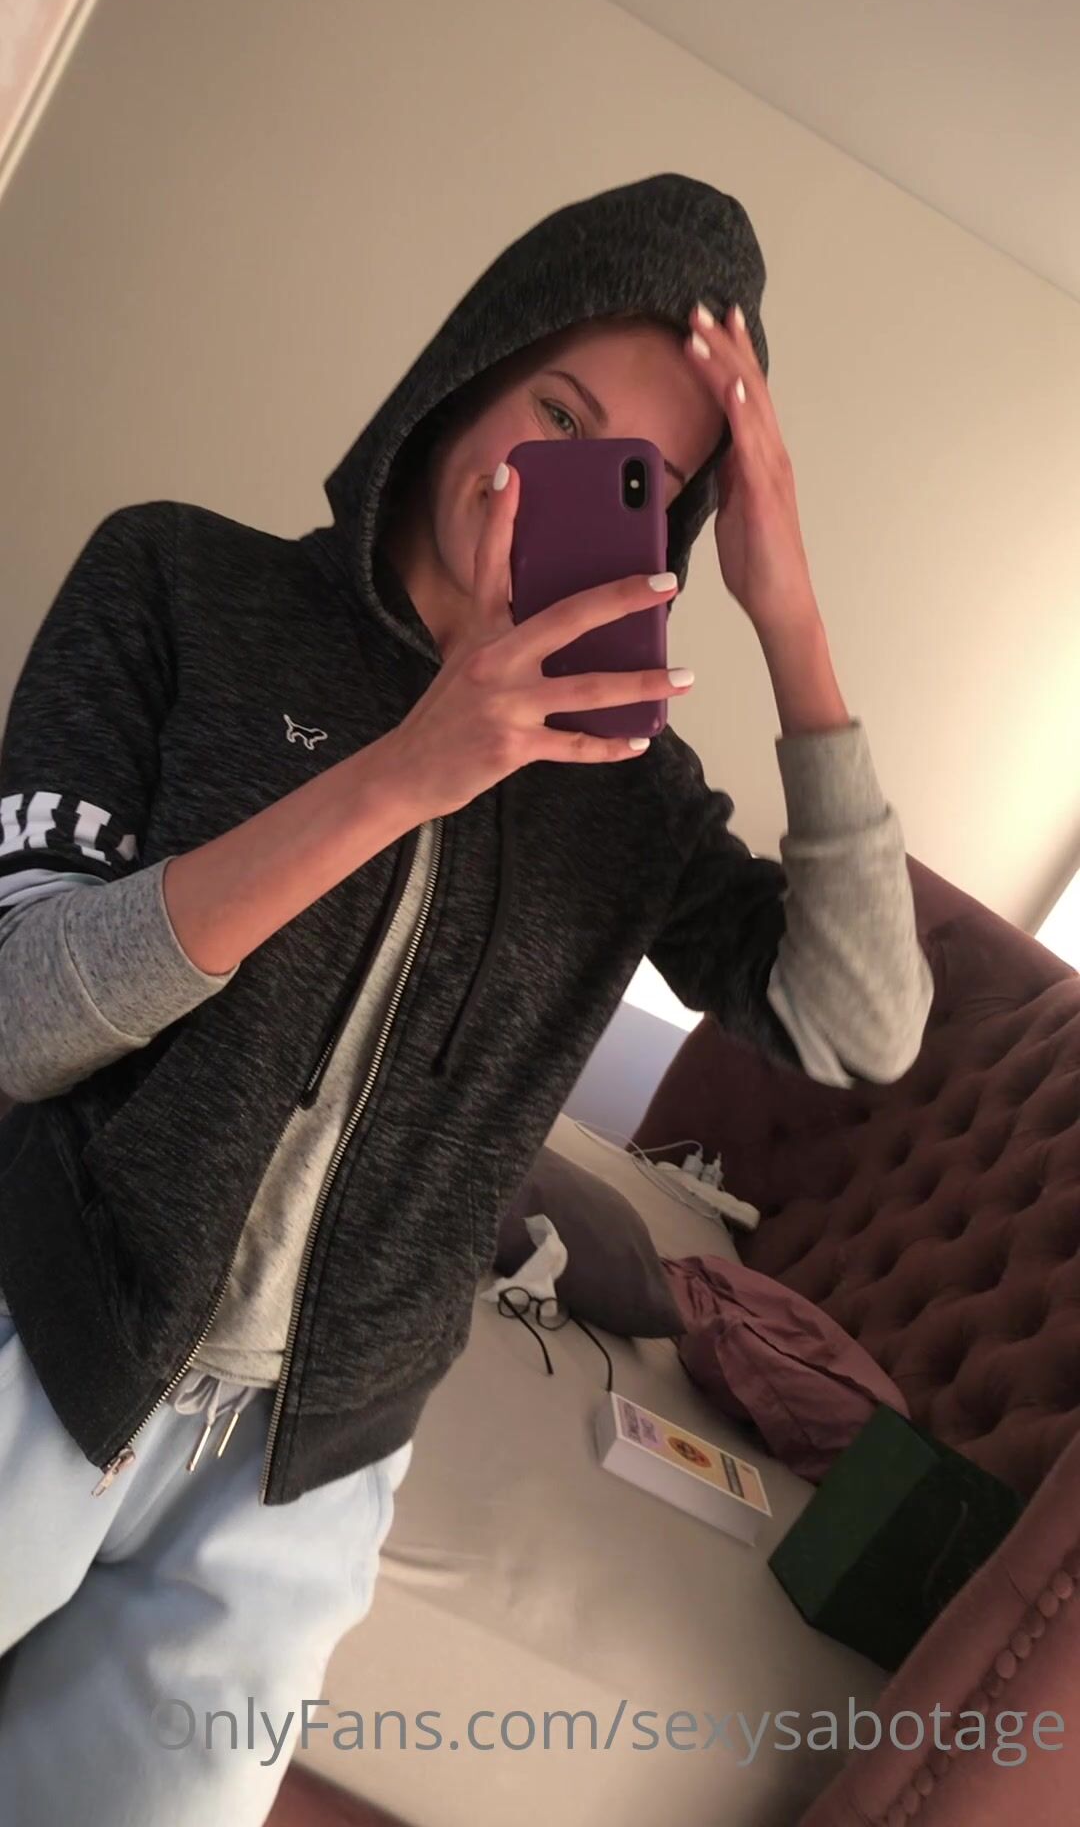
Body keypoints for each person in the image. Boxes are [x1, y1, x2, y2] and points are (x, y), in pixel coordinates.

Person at [0, 170, 933, 1823]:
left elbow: (865, 1026)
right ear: (468, 370)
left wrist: (791, 617)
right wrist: (405, 771)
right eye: (554, 412)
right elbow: (23, 1017)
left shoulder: (626, 797)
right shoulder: (178, 584)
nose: (556, 478)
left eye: (635, 479)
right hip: (45, 1324)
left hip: (305, 1472)